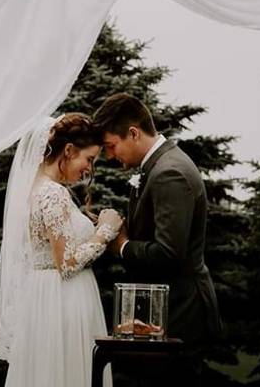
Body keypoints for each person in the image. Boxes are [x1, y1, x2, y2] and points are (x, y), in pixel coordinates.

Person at [94, 93, 222, 382]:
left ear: (133, 133)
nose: (111, 156)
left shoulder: (169, 173)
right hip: (171, 309)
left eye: (111, 146)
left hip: (182, 312)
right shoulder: (159, 166)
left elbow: (168, 253)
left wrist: (122, 245)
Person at [0, 113, 122, 387]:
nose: (89, 169)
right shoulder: (53, 193)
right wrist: (105, 231)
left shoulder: (36, 189)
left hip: (45, 296)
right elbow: (68, 263)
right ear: (69, 150)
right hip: (62, 299)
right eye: (89, 159)